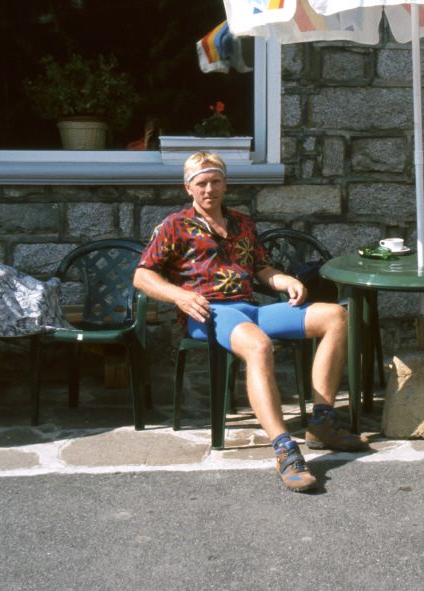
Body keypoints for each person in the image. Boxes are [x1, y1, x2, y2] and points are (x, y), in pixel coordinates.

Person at [134, 151, 368, 492]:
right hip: (209, 312)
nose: (209, 189)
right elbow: (142, 275)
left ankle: (322, 423)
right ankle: (285, 450)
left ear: (225, 183)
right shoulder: (174, 226)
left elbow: (262, 269)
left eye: (215, 181)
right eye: (201, 183)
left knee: (335, 316)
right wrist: (179, 296)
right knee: (259, 345)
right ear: (188, 188)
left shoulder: (242, 223)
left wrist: (285, 280)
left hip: (249, 309)